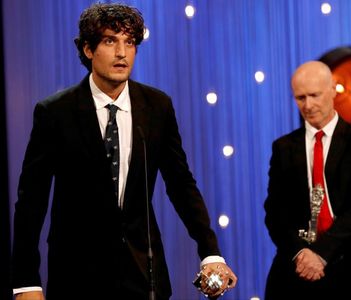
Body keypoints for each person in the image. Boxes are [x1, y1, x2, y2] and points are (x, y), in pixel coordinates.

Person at [11, 3, 237, 300]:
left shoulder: (157, 106)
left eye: (129, 42)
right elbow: (31, 203)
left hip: (145, 276)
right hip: (77, 277)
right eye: (110, 41)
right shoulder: (55, 112)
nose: (122, 53)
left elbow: (181, 185)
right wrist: (27, 283)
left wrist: (210, 253)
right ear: (88, 49)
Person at [264, 61, 351, 299]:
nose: (308, 105)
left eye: (314, 95)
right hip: (296, 268)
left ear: (333, 89)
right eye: (300, 98)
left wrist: (320, 253)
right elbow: (275, 214)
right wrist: (302, 254)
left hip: (350, 266)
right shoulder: (283, 148)